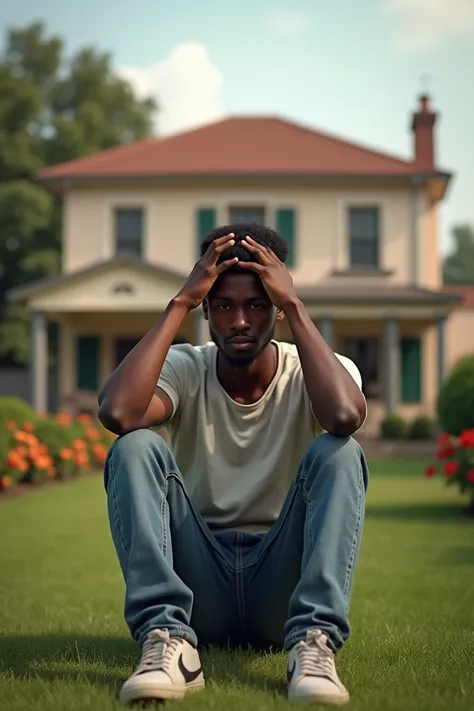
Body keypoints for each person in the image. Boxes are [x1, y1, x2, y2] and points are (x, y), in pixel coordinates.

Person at [98, 223, 369, 707]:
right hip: (200, 585)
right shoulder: (186, 366)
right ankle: (168, 639)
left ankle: (314, 643)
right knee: (134, 446)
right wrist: (179, 302)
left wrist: (297, 307)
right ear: (207, 311)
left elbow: (345, 416)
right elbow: (119, 414)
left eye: (258, 305)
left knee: (340, 449)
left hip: (279, 585)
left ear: (277, 309)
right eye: (224, 306)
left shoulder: (322, 367)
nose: (240, 321)